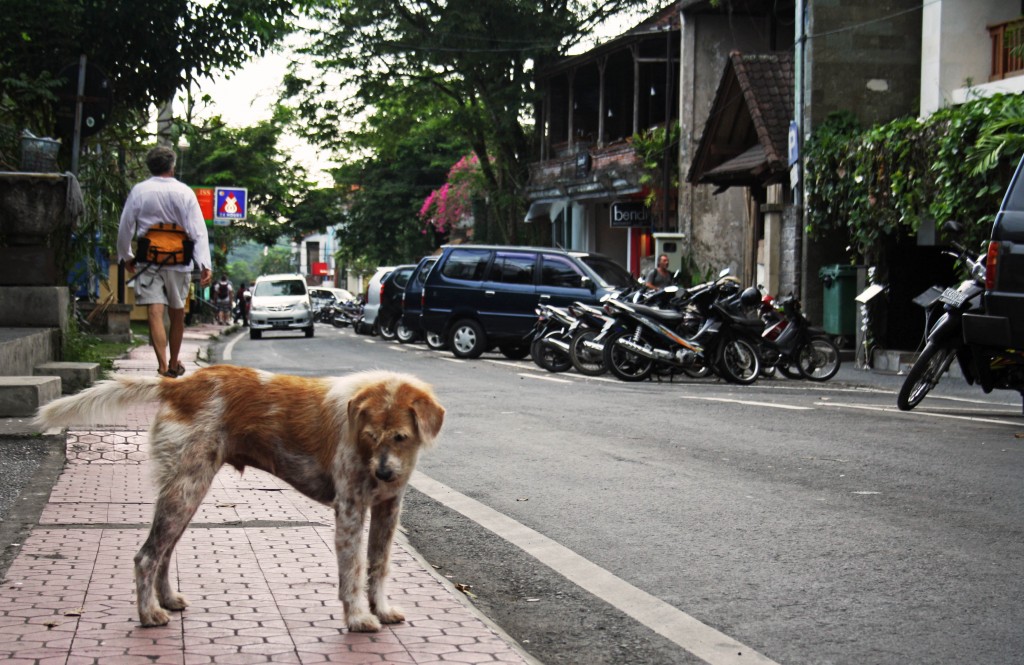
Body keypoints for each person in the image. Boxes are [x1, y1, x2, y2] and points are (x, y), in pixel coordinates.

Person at [117, 145, 212, 378]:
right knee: (177, 312)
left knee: (154, 311)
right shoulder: (185, 192)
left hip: (148, 259)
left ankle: (161, 365)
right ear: (172, 166)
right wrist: (204, 264)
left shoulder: (139, 191)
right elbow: (197, 231)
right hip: (180, 260)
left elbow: (125, 226)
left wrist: (127, 256)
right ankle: (174, 360)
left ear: (150, 166)